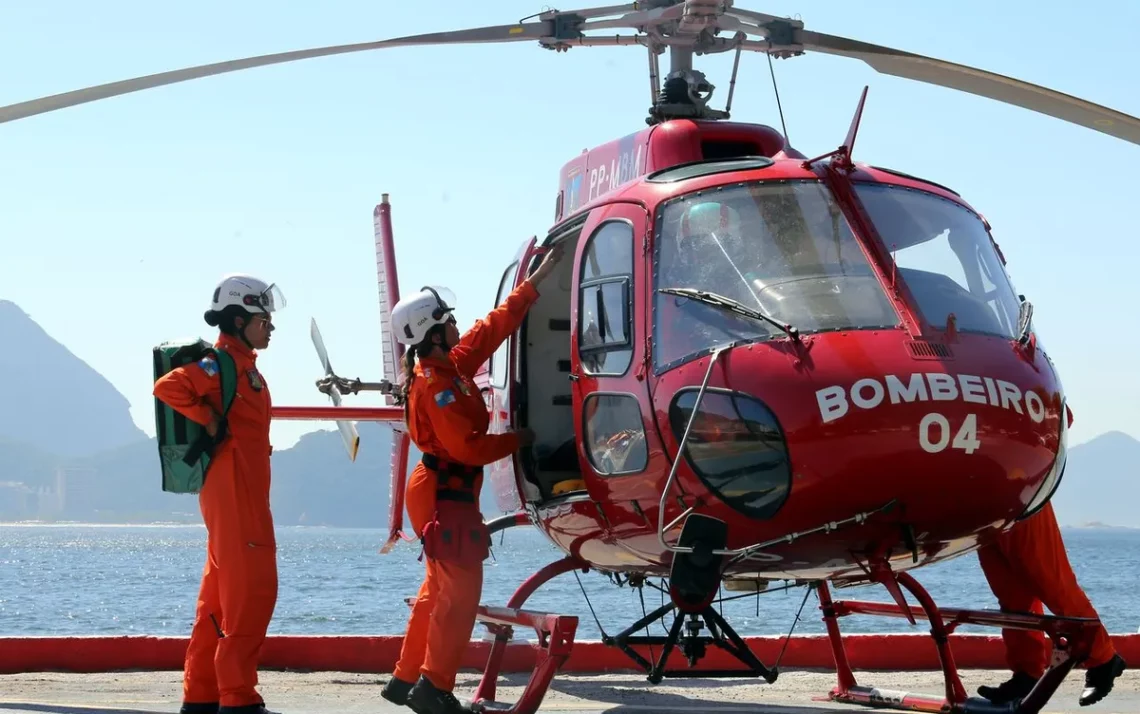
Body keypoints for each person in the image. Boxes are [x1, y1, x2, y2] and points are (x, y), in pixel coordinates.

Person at [380, 245, 564, 714]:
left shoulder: (449, 368)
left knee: (436, 590)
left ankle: (405, 678)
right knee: (458, 597)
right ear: (433, 333)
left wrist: (533, 285)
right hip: (447, 495)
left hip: (442, 492)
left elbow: (488, 331)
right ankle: (433, 688)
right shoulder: (438, 385)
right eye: (449, 321)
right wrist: (518, 439)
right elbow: (466, 447)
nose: (458, 325)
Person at [153, 274, 286, 714]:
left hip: (239, 491)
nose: (269, 326)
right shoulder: (221, 364)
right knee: (252, 591)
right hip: (234, 491)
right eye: (262, 319)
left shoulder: (244, 367)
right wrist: (207, 419)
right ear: (237, 318)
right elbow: (168, 386)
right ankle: (238, 697)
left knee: (219, 596)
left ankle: (202, 694)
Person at [975, 500, 1126, 707]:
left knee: (1051, 581)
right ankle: (1026, 673)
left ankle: (1103, 659)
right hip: (978, 505)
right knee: (1011, 594)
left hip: (1019, 488)